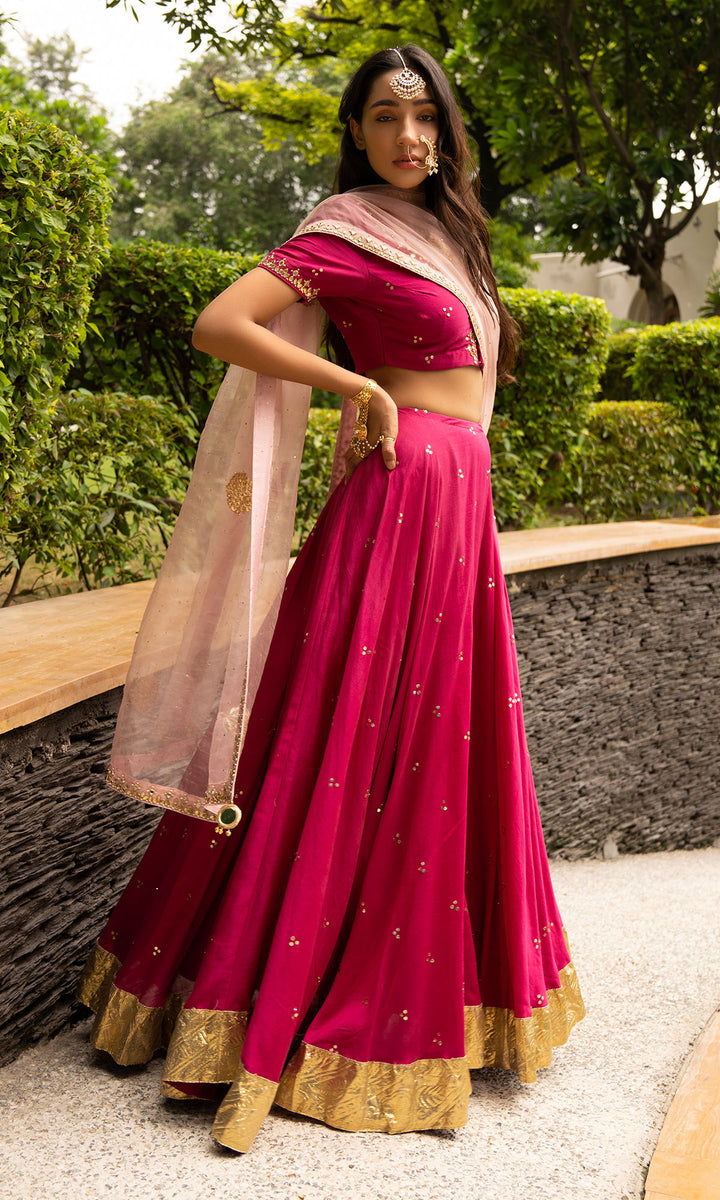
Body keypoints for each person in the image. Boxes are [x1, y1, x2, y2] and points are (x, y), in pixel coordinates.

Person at [78, 45, 585, 1153]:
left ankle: (441, 988)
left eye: (425, 116)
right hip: (395, 502)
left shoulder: (454, 234)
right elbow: (221, 323)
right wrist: (351, 383)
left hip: (455, 505)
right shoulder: (344, 230)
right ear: (356, 131)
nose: (409, 136)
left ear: (448, 131)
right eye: (386, 117)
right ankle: (256, 1000)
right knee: (336, 742)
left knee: (435, 746)